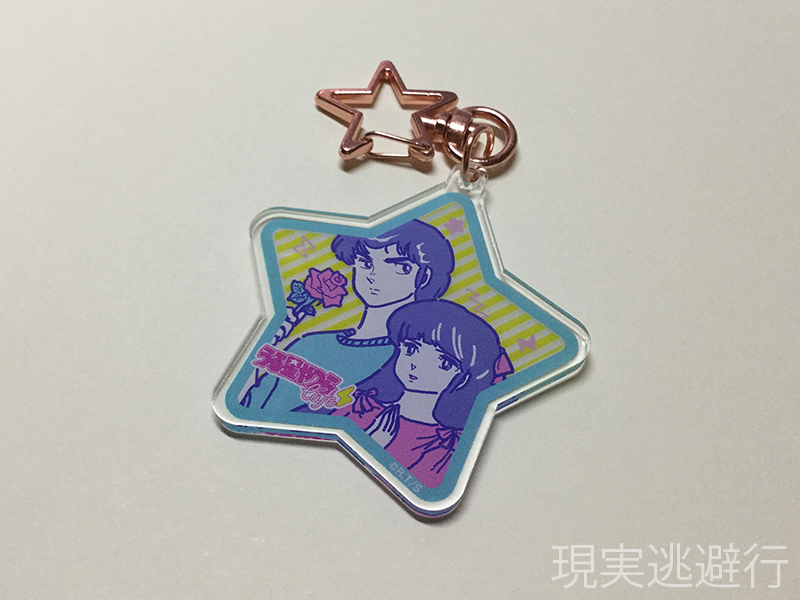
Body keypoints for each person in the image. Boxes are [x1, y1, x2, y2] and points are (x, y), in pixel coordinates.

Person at [238, 219, 455, 418]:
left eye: (400, 267)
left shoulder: (416, 359)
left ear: (424, 277)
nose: (374, 276)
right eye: (365, 262)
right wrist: (262, 354)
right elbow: (249, 404)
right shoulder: (309, 344)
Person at [333, 300, 512, 489]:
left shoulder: (446, 446)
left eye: (444, 363)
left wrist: (374, 446)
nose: (417, 364)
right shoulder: (361, 407)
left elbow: (419, 485)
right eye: (411, 349)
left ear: (463, 378)